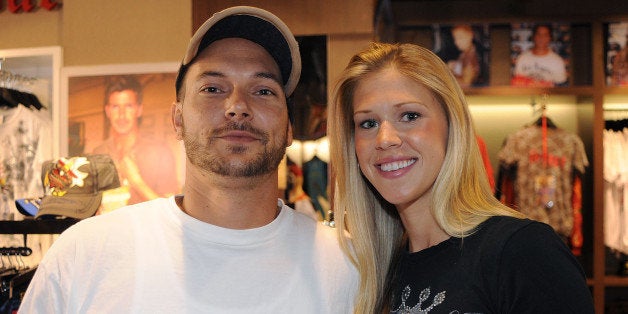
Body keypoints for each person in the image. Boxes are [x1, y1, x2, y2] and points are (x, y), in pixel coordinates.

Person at [19, 6, 358, 313]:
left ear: (287, 129)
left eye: (263, 90)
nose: (237, 106)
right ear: (178, 119)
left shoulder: (348, 268)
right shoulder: (83, 256)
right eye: (213, 89)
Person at [328, 42, 594, 313]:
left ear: (451, 126)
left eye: (409, 115)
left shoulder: (522, 252)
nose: (385, 139)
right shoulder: (376, 274)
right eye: (368, 123)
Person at [92, 75, 179, 205]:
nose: (121, 115)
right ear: (108, 111)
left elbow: (170, 211)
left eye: (128, 106)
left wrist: (137, 182)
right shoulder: (98, 153)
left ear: (139, 110)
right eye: (115, 107)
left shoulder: (159, 151)